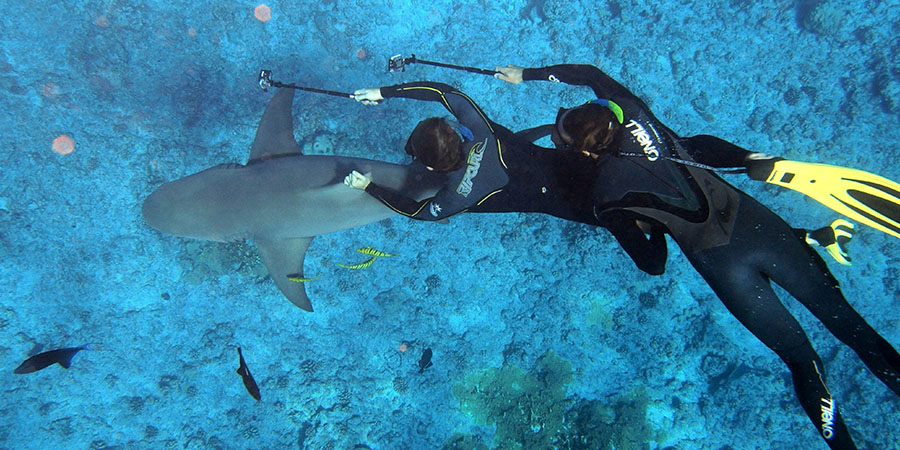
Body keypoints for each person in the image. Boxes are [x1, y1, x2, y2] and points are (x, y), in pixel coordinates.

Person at [491, 63, 900, 450]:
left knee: (802, 359)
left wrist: (651, 227)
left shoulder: (606, 198)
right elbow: (591, 75)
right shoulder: (635, 115)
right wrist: (525, 75)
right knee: (851, 327)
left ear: (583, 154)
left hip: (724, 267)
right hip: (757, 227)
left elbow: (653, 264)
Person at [345, 81, 847, 275]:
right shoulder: (484, 131)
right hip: (596, 168)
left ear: (432, 167)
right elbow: (445, 92)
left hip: (596, 207)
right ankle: (805, 235)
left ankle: (807, 239)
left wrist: (366, 186)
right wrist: (384, 92)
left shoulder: (459, 196)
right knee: (685, 192)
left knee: (657, 253)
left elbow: (417, 212)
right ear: (456, 133)